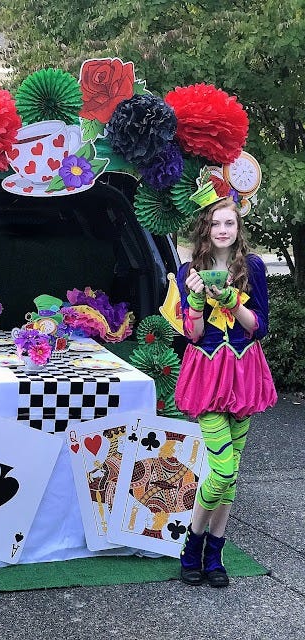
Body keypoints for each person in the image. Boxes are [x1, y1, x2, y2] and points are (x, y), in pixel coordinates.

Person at [175, 186, 277, 588]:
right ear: (205, 227)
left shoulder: (252, 266)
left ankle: (213, 554)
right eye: (215, 222)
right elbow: (194, 334)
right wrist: (198, 302)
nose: (222, 229)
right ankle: (192, 545)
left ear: (238, 226)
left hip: (245, 375)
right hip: (207, 376)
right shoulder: (190, 272)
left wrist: (234, 301)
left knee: (230, 477)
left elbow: (260, 327)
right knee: (222, 470)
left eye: (229, 222)